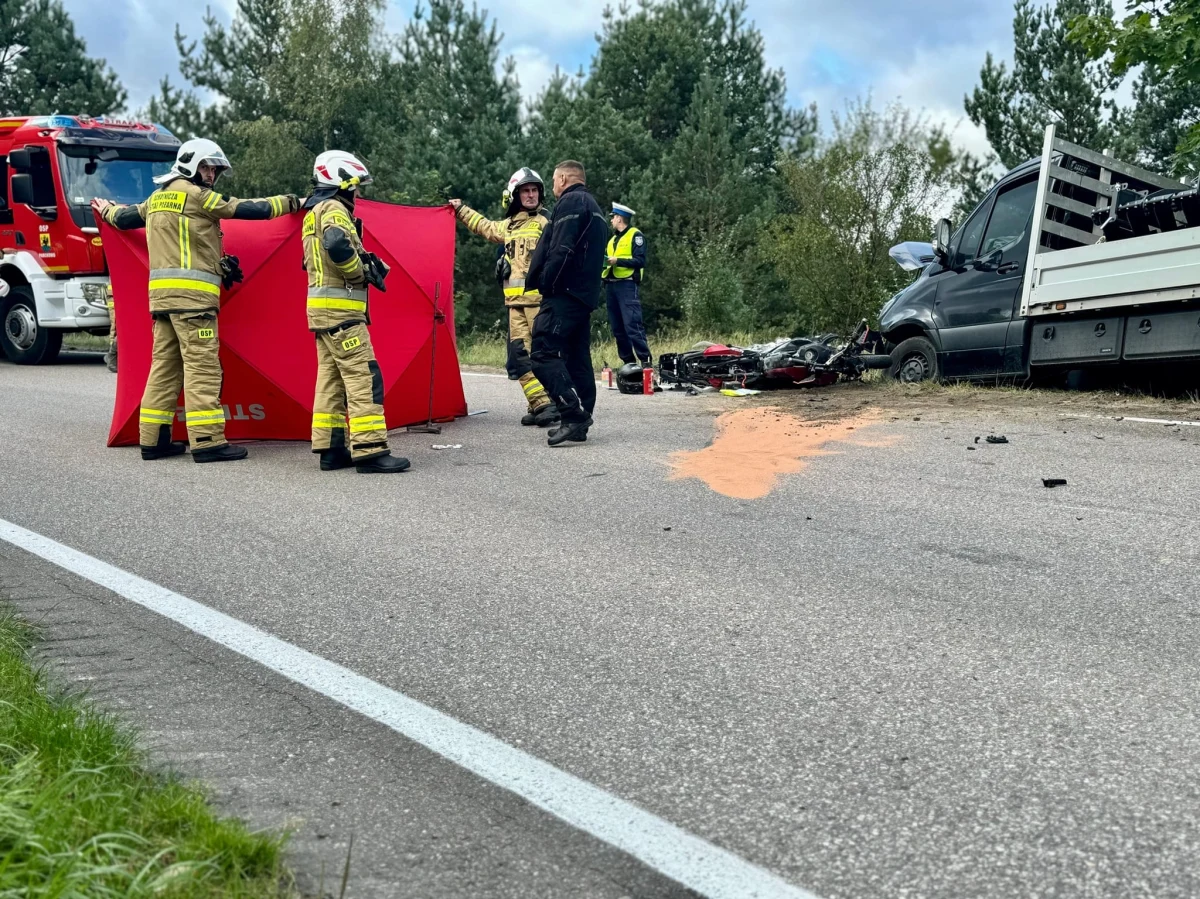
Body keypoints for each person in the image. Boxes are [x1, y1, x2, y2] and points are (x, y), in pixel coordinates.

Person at [92, 138, 299, 462]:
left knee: (164, 368)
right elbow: (248, 209)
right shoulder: (198, 196)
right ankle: (207, 441)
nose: (212, 174)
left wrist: (106, 210)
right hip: (194, 304)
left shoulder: (157, 198)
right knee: (203, 368)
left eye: (215, 169)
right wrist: (293, 202)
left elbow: (124, 218)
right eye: (207, 167)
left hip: (162, 303)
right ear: (191, 165)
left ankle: (154, 439)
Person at [303, 150, 410, 474]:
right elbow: (336, 244)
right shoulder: (334, 209)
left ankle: (331, 449)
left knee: (331, 381)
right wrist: (359, 272)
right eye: (356, 186)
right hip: (342, 313)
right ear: (341, 181)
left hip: (322, 312)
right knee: (365, 376)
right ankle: (370, 449)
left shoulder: (314, 211)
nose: (358, 193)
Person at [449, 169, 558, 427]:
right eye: (525, 191)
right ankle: (539, 403)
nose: (530, 195)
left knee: (545, 356)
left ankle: (556, 402)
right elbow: (484, 227)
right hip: (514, 305)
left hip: (539, 304)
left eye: (534, 190)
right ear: (515, 195)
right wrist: (461, 210)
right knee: (520, 356)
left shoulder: (546, 223)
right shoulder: (509, 226)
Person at [527, 160, 608, 447]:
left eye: (552, 180)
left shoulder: (571, 202)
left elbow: (561, 248)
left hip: (564, 294)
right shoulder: (595, 208)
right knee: (576, 357)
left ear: (562, 178)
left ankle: (572, 414)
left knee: (542, 353)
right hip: (583, 296)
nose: (552, 186)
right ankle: (581, 418)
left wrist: (547, 283)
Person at [602, 202, 651, 367]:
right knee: (617, 329)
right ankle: (628, 363)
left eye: (613, 217)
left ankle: (645, 362)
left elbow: (640, 261)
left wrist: (617, 261)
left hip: (627, 286)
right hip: (611, 286)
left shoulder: (636, 236)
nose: (611, 221)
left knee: (632, 325)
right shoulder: (612, 240)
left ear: (619, 218)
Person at [103, 283, 117, 373]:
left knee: (116, 328)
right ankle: (112, 356)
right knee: (117, 328)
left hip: (116, 292)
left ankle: (113, 356)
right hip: (116, 293)